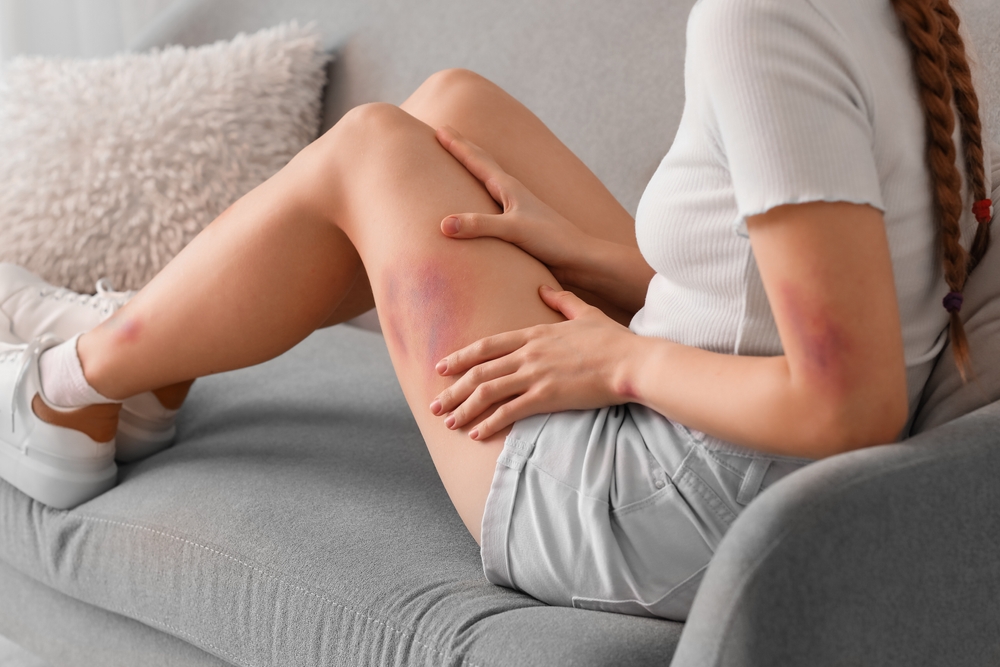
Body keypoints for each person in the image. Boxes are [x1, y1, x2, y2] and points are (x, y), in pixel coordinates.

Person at [0, 0, 994, 620]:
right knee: (454, 107)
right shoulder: (891, 12)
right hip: (735, 442)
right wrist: (594, 261)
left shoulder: (759, 20)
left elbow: (845, 405)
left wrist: (618, 364)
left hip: (668, 508)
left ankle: (67, 390)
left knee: (373, 150)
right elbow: (793, 303)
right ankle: (152, 354)